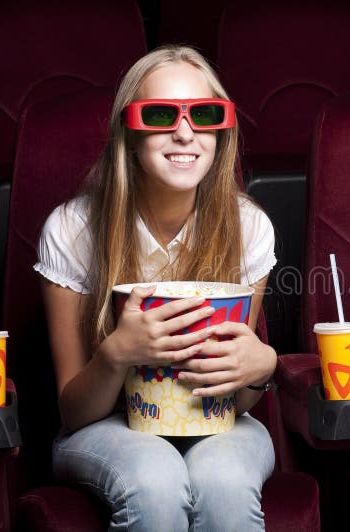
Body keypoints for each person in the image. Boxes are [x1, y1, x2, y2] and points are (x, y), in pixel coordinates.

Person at [34, 45, 277, 531]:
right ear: (128, 130)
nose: (185, 132)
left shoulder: (249, 226)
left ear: (220, 129)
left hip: (215, 420)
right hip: (106, 426)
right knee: (156, 478)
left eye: (204, 114)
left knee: (226, 481)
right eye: (161, 114)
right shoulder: (72, 228)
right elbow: (72, 409)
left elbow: (232, 394)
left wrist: (260, 368)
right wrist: (115, 355)